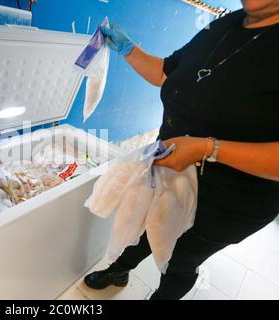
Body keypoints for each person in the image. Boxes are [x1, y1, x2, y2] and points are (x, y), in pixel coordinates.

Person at [84, 0, 279, 300]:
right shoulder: (226, 25)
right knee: (149, 226)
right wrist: (126, 48)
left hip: (232, 197)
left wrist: (207, 148)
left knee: (181, 257)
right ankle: (120, 269)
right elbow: (167, 74)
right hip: (170, 166)